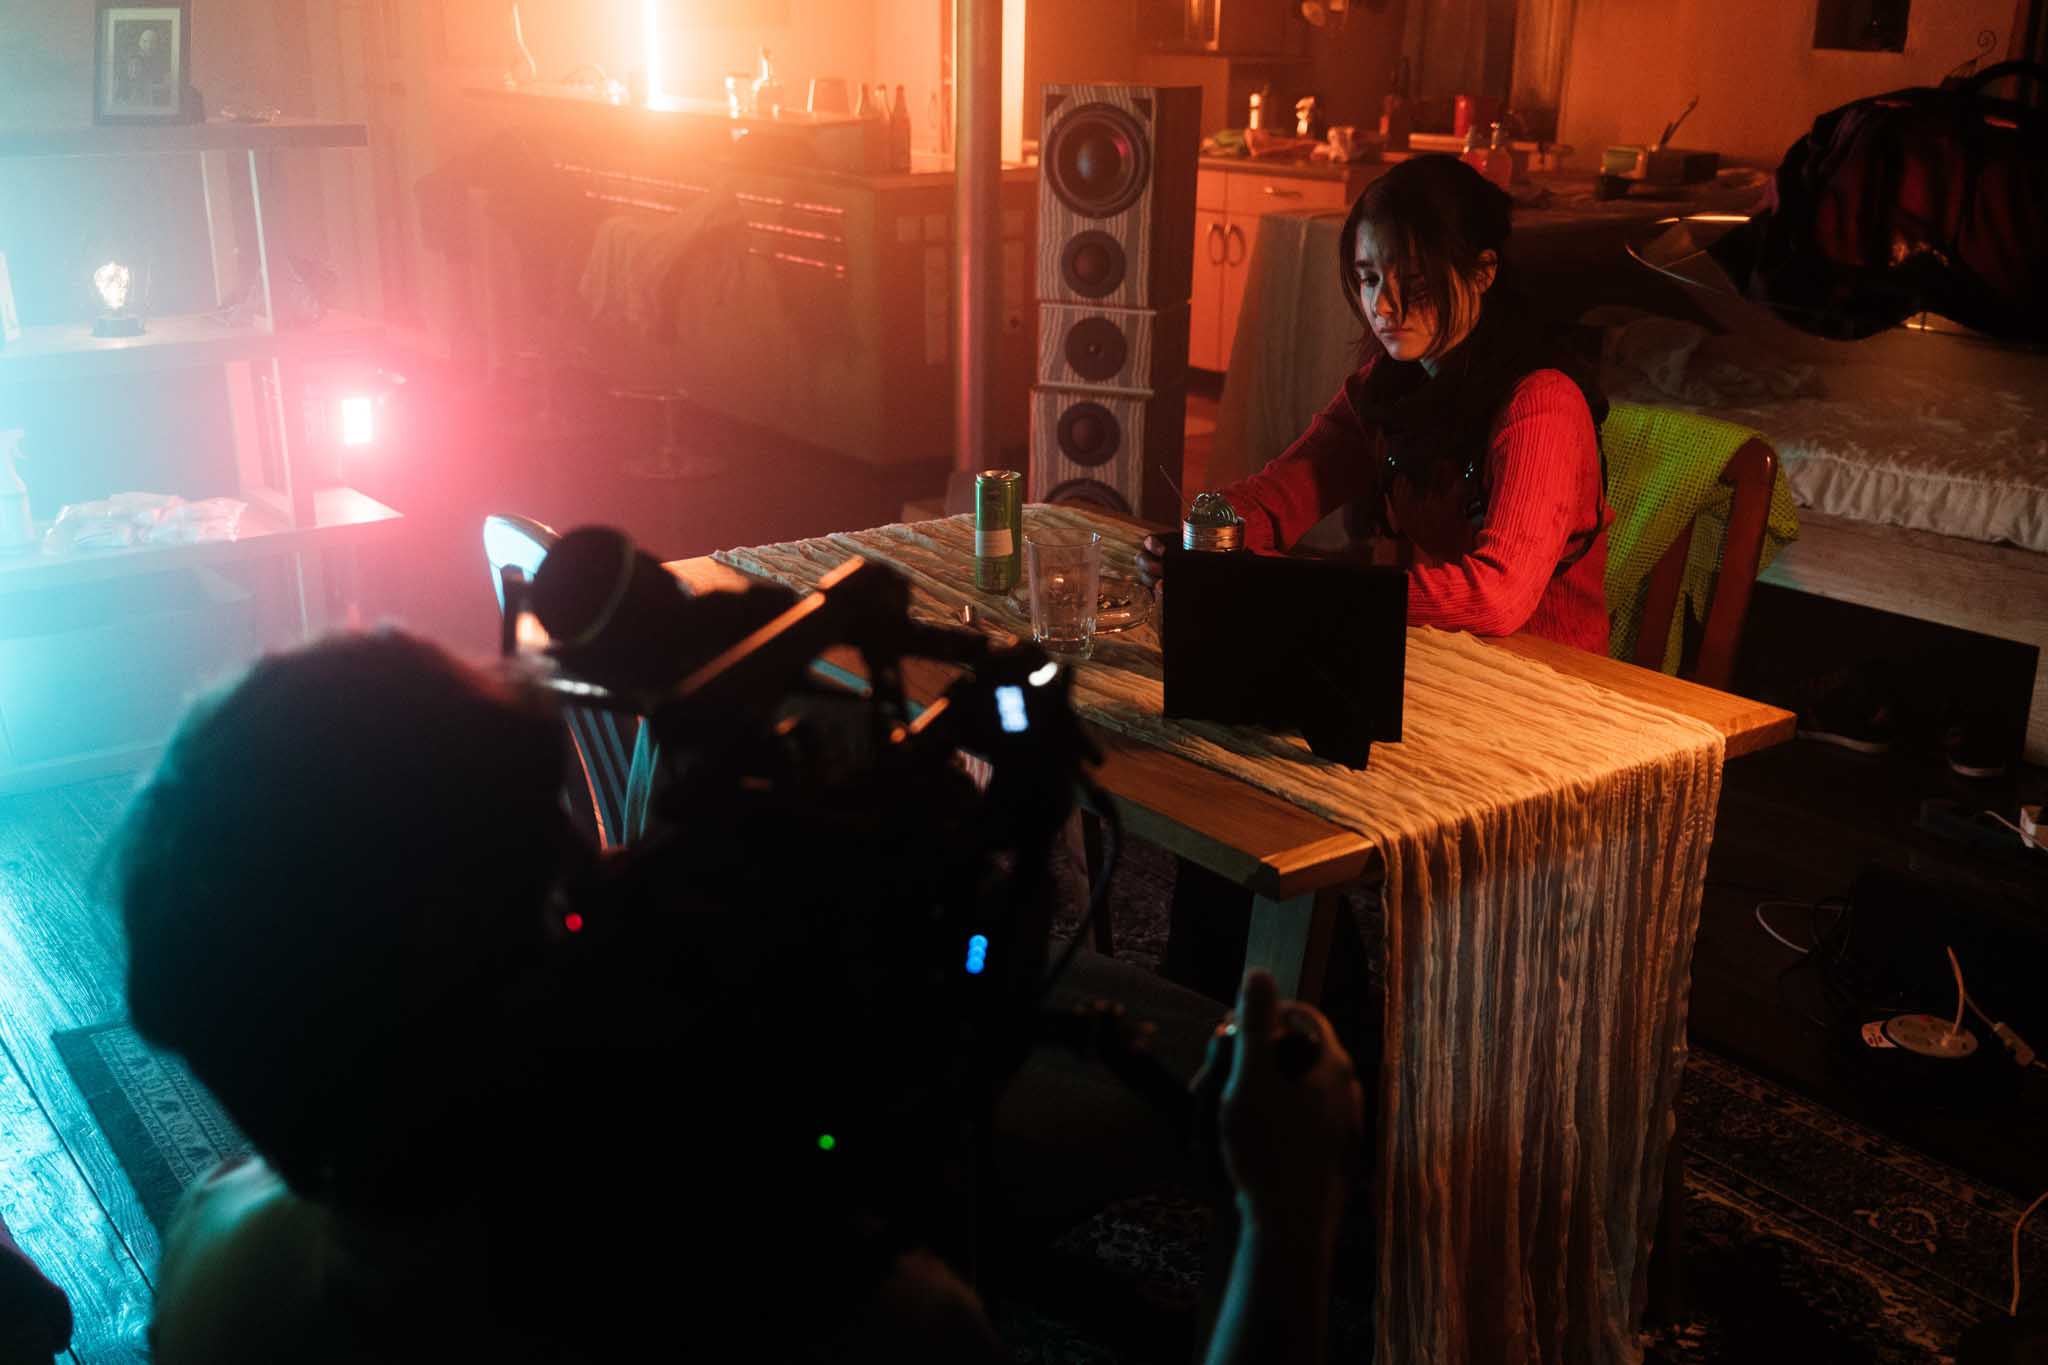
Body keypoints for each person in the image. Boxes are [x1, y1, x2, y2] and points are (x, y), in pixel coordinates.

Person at [115, 629, 1363, 1363]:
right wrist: (1283, 1216)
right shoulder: (865, 1321)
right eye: (574, 850)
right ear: (548, 930)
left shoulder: (216, 1256)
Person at [1138, 153, 1612, 653]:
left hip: (1554, 680)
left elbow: (1495, 598)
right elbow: (1281, 493)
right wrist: (1201, 540)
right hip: (1451, 658)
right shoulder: (1389, 387)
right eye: (1368, 279)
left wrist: (1276, 583)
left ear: (1483, 272)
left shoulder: (1541, 405)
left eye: (1415, 282)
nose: (1383, 307)